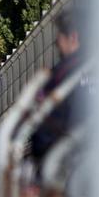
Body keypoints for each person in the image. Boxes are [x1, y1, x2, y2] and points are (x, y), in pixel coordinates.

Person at [30, 9, 85, 163]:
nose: (56, 42)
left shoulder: (60, 75)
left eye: (59, 36)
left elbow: (43, 123)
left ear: (72, 37)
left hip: (70, 165)